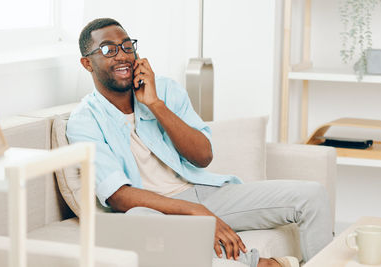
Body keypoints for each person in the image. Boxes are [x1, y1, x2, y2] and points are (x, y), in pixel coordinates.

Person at [67, 18, 333, 267]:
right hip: (151, 211)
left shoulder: (166, 90)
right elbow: (118, 195)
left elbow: (203, 156)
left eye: (127, 46)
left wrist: (156, 105)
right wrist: (196, 213)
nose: (123, 55)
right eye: (108, 49)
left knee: (312, 194)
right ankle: (260, 263)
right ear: (87, 64)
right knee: (147, 229)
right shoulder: (84, 121)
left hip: (201, 192)